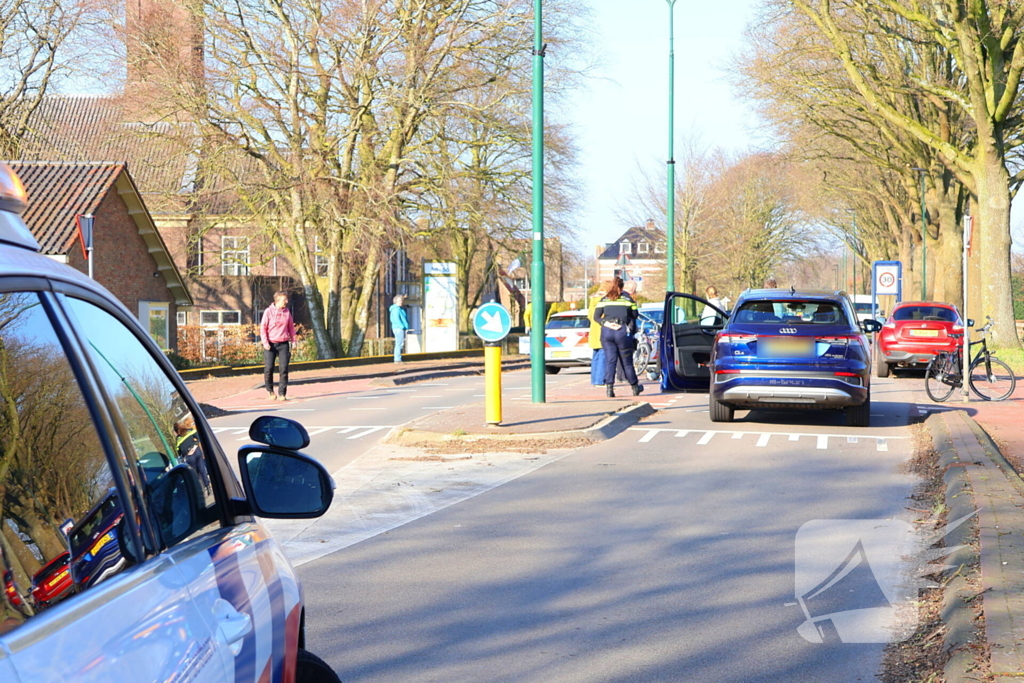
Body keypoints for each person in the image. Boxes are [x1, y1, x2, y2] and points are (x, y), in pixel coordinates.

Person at [594, 277, 642, 398]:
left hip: (607, 332)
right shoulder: (628, 299)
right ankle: (635, 387)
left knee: (610, 361)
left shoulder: (604, 299)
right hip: (621, 331)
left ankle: (609, 389)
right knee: (627, 362)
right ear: (621, 287)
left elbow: (596, 316)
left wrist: (607, 323)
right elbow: (635, 315)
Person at [260, 290, 296, 401]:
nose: (286, 301)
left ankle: (282, 393)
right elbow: (263, 328)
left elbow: (291, 328)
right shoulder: (268, 312)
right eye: (284, 299)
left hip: (283, 343)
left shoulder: (287, 312)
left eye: (287, 299)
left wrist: (293, 341)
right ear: (278, 300)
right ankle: (270, 391)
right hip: (270, 344)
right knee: (269, 368)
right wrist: (265, 342)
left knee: (284, 368)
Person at [174, 417, 210, 491]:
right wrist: (195, 444)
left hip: (189, 457)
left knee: (196, 473)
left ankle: (202, 488)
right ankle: (207, 485)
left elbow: (179, 451)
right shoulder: (190, 430)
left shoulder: (178, 439)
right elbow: (199, 437)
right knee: (202, 468)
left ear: (176, 431)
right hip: (197, 452)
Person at [587, 288, 606, 386]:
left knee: (596, 356)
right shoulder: (604, 300)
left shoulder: (593, 300)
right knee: (603, 356)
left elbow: (590, 316)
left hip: (594, 330)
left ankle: (594, 380)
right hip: (602, 330)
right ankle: (600, 380)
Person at [389, 295, 410, 363]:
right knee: (399, 343)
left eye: (401, 300)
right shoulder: (396, 309)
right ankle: (397, 359)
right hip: (398, 328)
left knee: (400, 343)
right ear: (396, 301)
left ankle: (398, 358)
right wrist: (402, 326)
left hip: (400, 328)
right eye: (399, 301)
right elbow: (396, 319)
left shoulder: (400, 309)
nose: (401, 302)